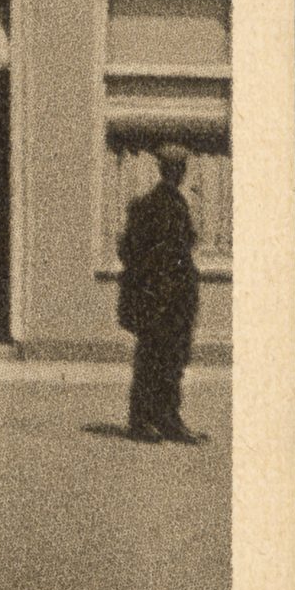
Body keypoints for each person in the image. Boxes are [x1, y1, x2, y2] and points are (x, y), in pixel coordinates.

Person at [117, 140, 207, 444]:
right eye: (175, 168)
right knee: (157, 359)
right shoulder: (157, 205)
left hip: (168, 296)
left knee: (168, 360)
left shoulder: (158, 203)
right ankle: (144, 420)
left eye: (180, 168)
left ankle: (166, 419)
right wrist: (159, 290)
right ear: (167, 169)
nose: (178, 173)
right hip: (164, 297)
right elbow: (142, 252)